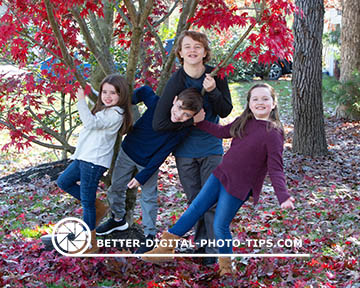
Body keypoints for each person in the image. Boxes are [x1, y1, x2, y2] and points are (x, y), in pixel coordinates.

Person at [144, 83, 295, 276]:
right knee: (195, 208)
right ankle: (165, 249)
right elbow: (222, 132)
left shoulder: (273, 133)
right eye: (255, 99)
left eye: (265, 99)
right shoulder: (244, 120)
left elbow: (276, 168)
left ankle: (226, 269)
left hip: (238, 186)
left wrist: (282, 195)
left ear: (273, 104)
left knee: (220, 225)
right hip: (221, 174)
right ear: (248, 103)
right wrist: (200, 122)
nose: (260, 102)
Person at [152, 30, 232, 265]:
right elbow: (160, 123)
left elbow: (226, 110)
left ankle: (215, 254)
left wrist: (213, 91)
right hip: (185, 151)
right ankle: (202, 248)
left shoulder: (215, 75)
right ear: (180, 52)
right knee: (195, 201)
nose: (192, 50)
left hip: (211, 148)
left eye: (198, 46)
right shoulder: (176, 81)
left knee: (213, 202)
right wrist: (192, 121)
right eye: (187, 46)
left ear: (205, 52)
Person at [95, 86, 203, 254]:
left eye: (187, 115)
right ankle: (117, 218)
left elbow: (163, 153)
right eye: (179, 108)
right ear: (174, 100)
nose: (180, 115)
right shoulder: (158, 105)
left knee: (149, 198)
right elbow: (145, 90)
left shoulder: (183, 128)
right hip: (128, 152)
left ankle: (149, 237)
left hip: (149, 163)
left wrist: (142, 177)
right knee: (116, 187)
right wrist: (127, 101)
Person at [56, 74, 133, 254]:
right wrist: (89, 88)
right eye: (104, 92)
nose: (107, 96)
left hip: (94, 162)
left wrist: (81, 100)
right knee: (63, 182)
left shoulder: (116, 114)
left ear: (121, 95)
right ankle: (99, 207)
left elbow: (90, 123)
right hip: (83, 158)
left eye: (113, 93)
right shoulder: (106, 108)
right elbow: (99, 100)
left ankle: (91, 244)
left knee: (86, 204)